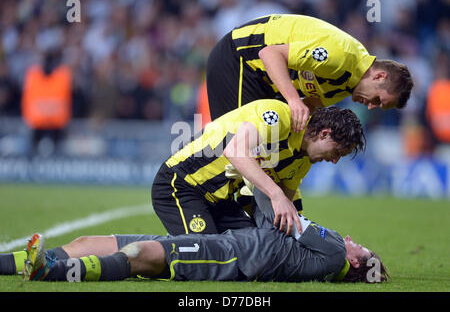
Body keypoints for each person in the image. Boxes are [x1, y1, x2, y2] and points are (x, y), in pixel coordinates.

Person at [18, 188, 389, 283]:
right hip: (229, 240)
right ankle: (13, 264)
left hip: (230, 256)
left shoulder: (336, 252)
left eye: (361, 246)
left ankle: (47, 271)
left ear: (356, 261)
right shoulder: (323, 259)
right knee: (85, 243)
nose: (353, 239)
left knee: (140, 254)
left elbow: (280, 214)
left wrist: (256, 174)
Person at [152, 99, 365, 237]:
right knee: (205, 256)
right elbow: (235, 151)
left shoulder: (302, 162)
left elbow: (287, 213)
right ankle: (130, 254)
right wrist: (276, 194)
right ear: (324, 133)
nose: (335, 161)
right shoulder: (279, 116)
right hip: (181, 184)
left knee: (260, 247)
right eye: (337, 152)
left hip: (221, 201)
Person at [206, 14, 414, 132]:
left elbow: (308, 108)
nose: (371, 106)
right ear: (379, 76)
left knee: (265, 151)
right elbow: (269, 54)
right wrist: (294, 100)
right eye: (378, 99)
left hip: (263, 80)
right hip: (239, 57)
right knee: (236, 146)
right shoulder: (341, 57)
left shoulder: (348, 85)